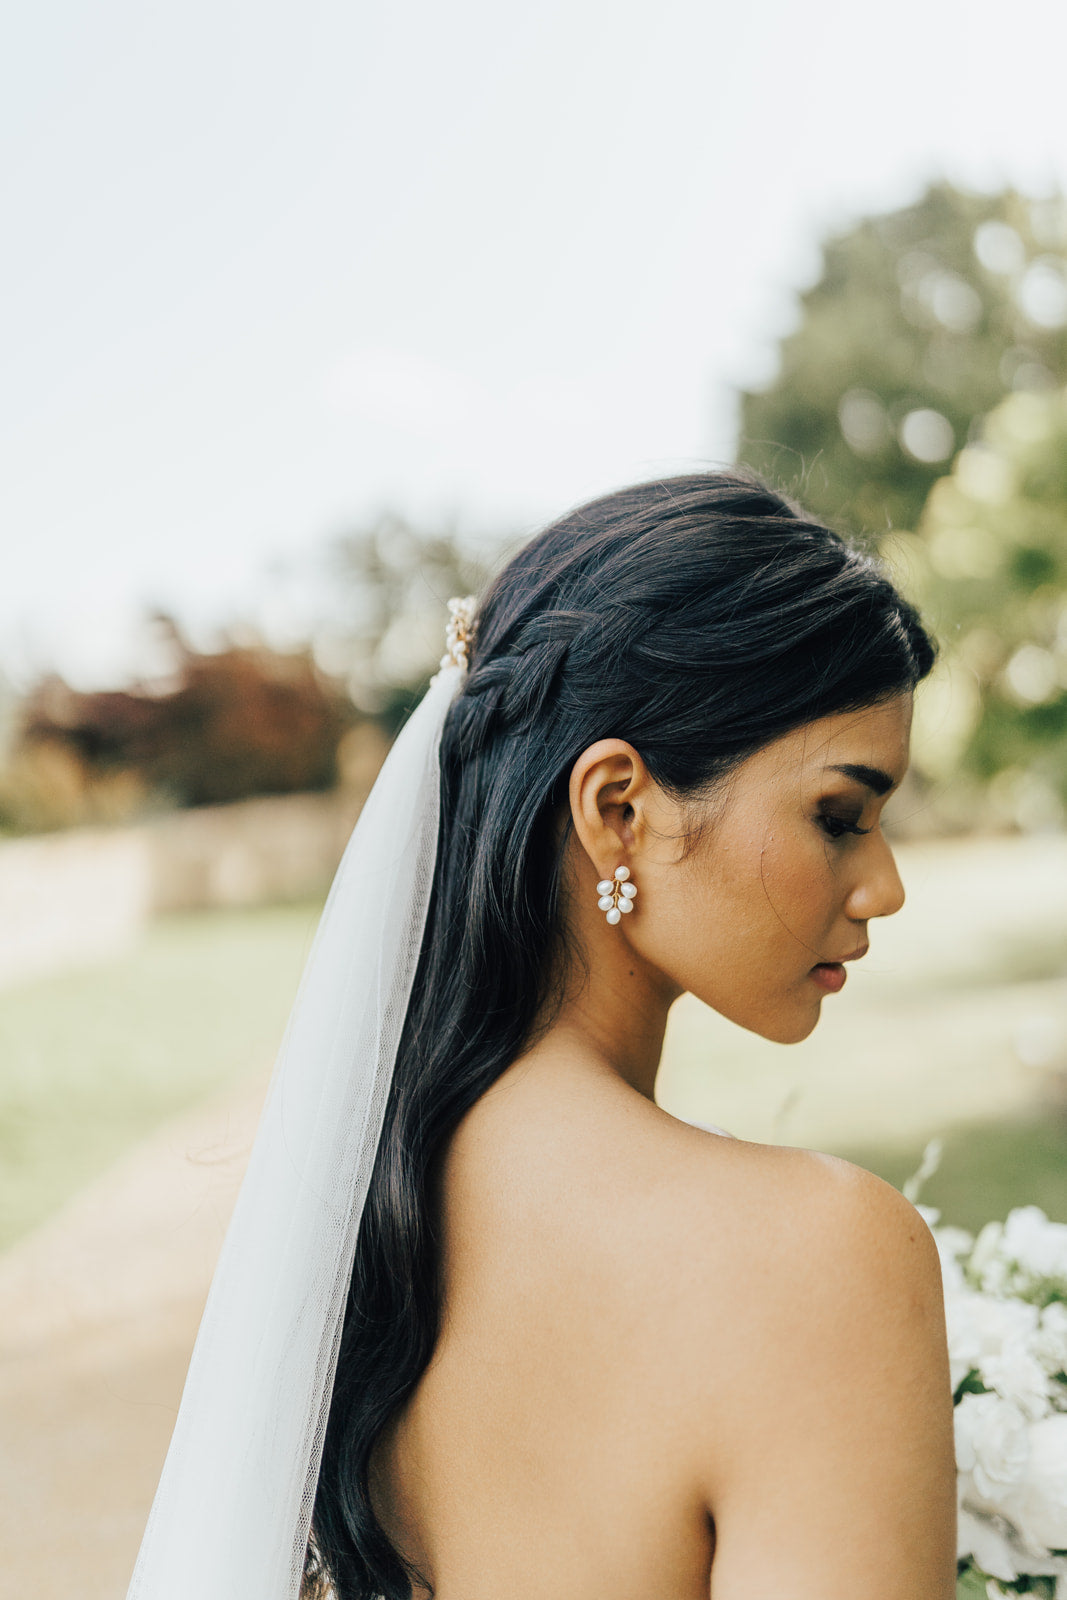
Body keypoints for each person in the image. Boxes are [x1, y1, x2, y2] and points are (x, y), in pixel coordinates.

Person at [128, 471, 957, 1600]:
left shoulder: (357, 1208)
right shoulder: (817, 1257)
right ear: (617, 806)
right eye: (838, 815)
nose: (884, 886)